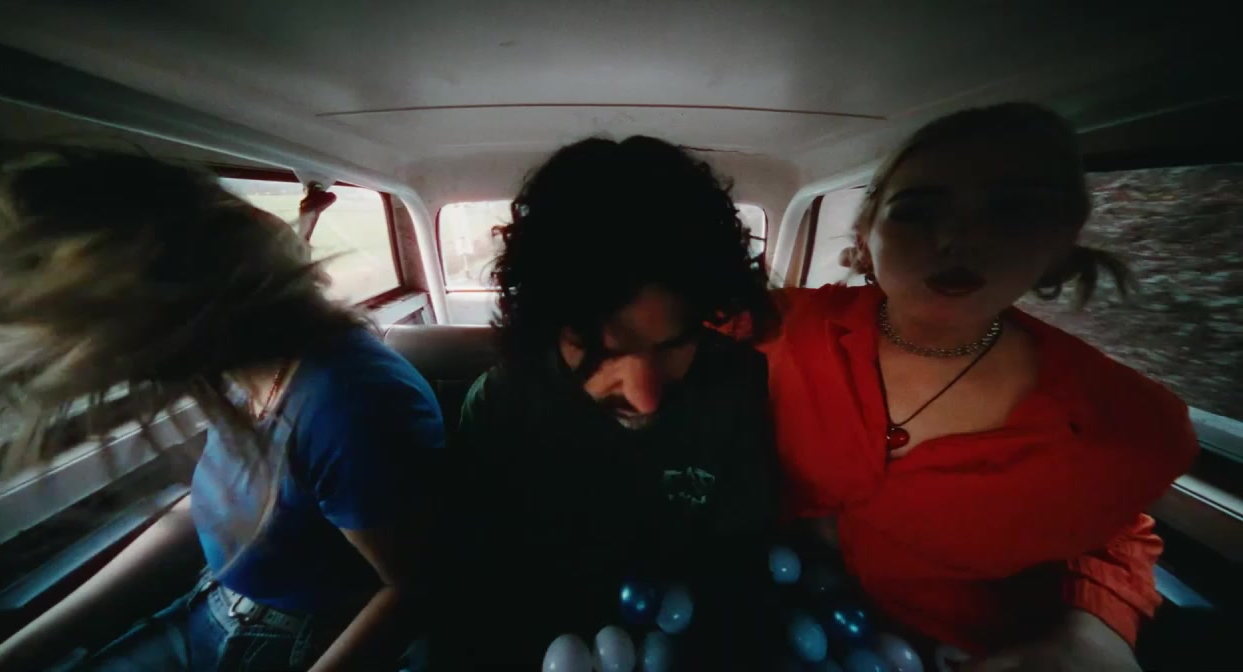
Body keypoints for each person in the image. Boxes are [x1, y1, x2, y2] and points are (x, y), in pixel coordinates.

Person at [0, 150, 445, 671]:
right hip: (208, 602)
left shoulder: (354, 407)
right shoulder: (240, 372)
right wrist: (25, 650)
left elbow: (412, 588)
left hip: (289, 644)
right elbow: (207, 511)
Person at [756, 104, 1198, 671]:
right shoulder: (784, 323)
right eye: (917, 212)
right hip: (765, 596)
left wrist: (1096, 633)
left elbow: (1109, 527)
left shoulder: (1117, 421)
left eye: (1012, 210)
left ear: (1060, 242)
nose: (957, 239)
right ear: (866, 237)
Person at [429, 136, 784, 669]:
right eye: (604, 352)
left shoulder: (740, 383)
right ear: (548, 326)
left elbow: (739, 563)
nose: (645, 398)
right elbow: (479, 580)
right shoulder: (501, 405)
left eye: (675, 345)